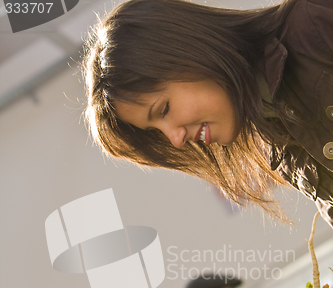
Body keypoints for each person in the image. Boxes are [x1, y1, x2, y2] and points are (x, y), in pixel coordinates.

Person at [82, 0, 333, 227]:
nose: (175, 139)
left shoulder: (317, 23)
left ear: (191, 53)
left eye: (164, 109)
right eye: (155, 131)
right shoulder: (282, 147)